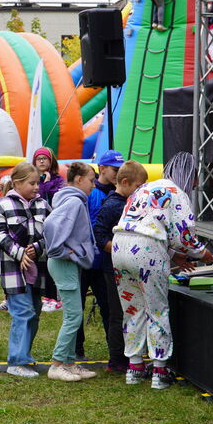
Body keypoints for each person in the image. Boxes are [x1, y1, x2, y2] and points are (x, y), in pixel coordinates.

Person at [112, 152, 213, 389]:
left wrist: (171, 255)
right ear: (188, 175)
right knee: (156, 309)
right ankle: (159, 371)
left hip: (119, 245)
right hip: (146, 250)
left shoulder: (145, 188)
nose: (196, 184)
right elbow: (184, 236)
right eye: (195, 178)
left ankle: (135, 368)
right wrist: (204, 254)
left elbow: (147, 226)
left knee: (132, 309)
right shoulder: (177, 192)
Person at [0, 162, 51, 377]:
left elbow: (51, 233)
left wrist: (36, 248)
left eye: (38, 183)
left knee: (34, 313)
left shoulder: (43, 205)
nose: (36, 187)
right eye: (31, 183)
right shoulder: (3, 205)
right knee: (23, 313)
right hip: (13, 270)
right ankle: (16, 361)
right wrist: (19, 253)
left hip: (38, 269)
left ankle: (25, 353)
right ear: (16, 183)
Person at [42, 162, 99, 382]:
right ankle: (57, 365)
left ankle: (68, 363)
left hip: (66, 264)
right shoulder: (74, 202)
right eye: (91, 180)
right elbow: (51, 226)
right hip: (63, 264)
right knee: (74, 316)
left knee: (73, 315)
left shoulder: (72, 200)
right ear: (78, 180)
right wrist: (67, 252)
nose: (93, 185)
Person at [93, 160, 148, 374]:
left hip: (129, 269)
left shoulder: (129, 203)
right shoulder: (112, 205)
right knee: (118, 314)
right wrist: (122, 251)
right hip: (113, 270)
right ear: (124, 182)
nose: (140, 192)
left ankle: (131, 355)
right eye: (138, 187)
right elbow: (99, 237)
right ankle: (116, 361)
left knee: (131, 312)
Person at [75, 149, 125, 360]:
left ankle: (114, 349)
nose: (117, 174)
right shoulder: (91, 193)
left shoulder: (119, 194)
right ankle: (77, 350)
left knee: (109, 308)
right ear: (102, 168)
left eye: (120, 170)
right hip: (85, 260)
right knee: (76, 308)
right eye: (114, 169)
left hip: (104, 262)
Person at [33, 147, 64, 313]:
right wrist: (41, 183)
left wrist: (46, 183)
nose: (42, 161)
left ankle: (54, 296)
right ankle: (44, 295)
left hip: (53, 226)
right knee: (39, 262)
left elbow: (53, 201)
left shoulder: (58, 180)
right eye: (39, 159)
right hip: (37, 225)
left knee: (51, 259)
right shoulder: (32, 180)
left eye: (45, 158)